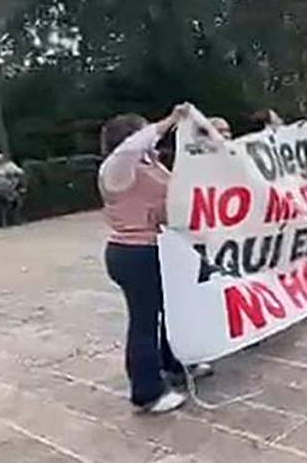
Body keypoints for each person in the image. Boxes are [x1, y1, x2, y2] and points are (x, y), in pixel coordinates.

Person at [100, 105, 211, 414]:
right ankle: (146, 390)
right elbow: (132, 148)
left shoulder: (151, 165)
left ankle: (171, 361)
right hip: (133, 253)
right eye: (145, 130)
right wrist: (171, 120)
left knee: (167, 311)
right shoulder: (116, 169)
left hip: (157, 249)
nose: (154, 136)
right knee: (144, 321)